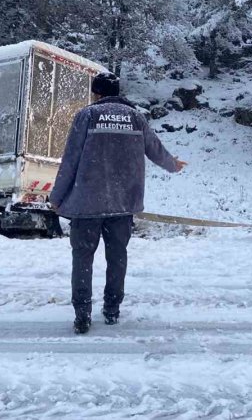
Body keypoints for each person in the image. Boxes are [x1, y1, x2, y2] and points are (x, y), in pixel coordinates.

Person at [49, 72, 186, 334]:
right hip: (123, 204)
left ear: (96, 94)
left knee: (83, 258)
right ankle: (112, 310)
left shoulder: (87, 116)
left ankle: (82, 314)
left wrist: (56, 197)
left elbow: (70, 160)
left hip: (87, 204)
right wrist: (173, 165)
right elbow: (155, 149)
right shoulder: (136, 118)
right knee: (117, 257)